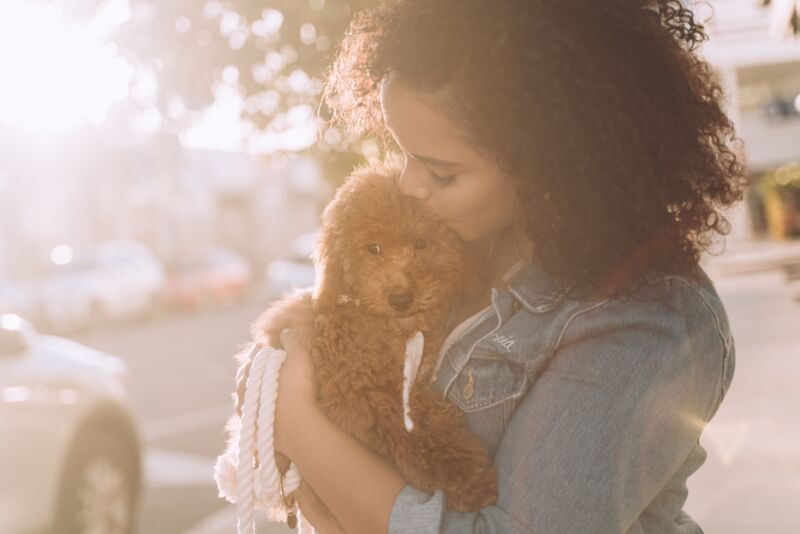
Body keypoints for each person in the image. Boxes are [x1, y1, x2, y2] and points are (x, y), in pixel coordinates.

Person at [260, 1, 746, 532]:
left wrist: (296, 426)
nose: (408, 186)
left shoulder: (651, 321)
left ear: (545, 167)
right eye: (402, 153)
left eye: (442, 174)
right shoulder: (450, 244)